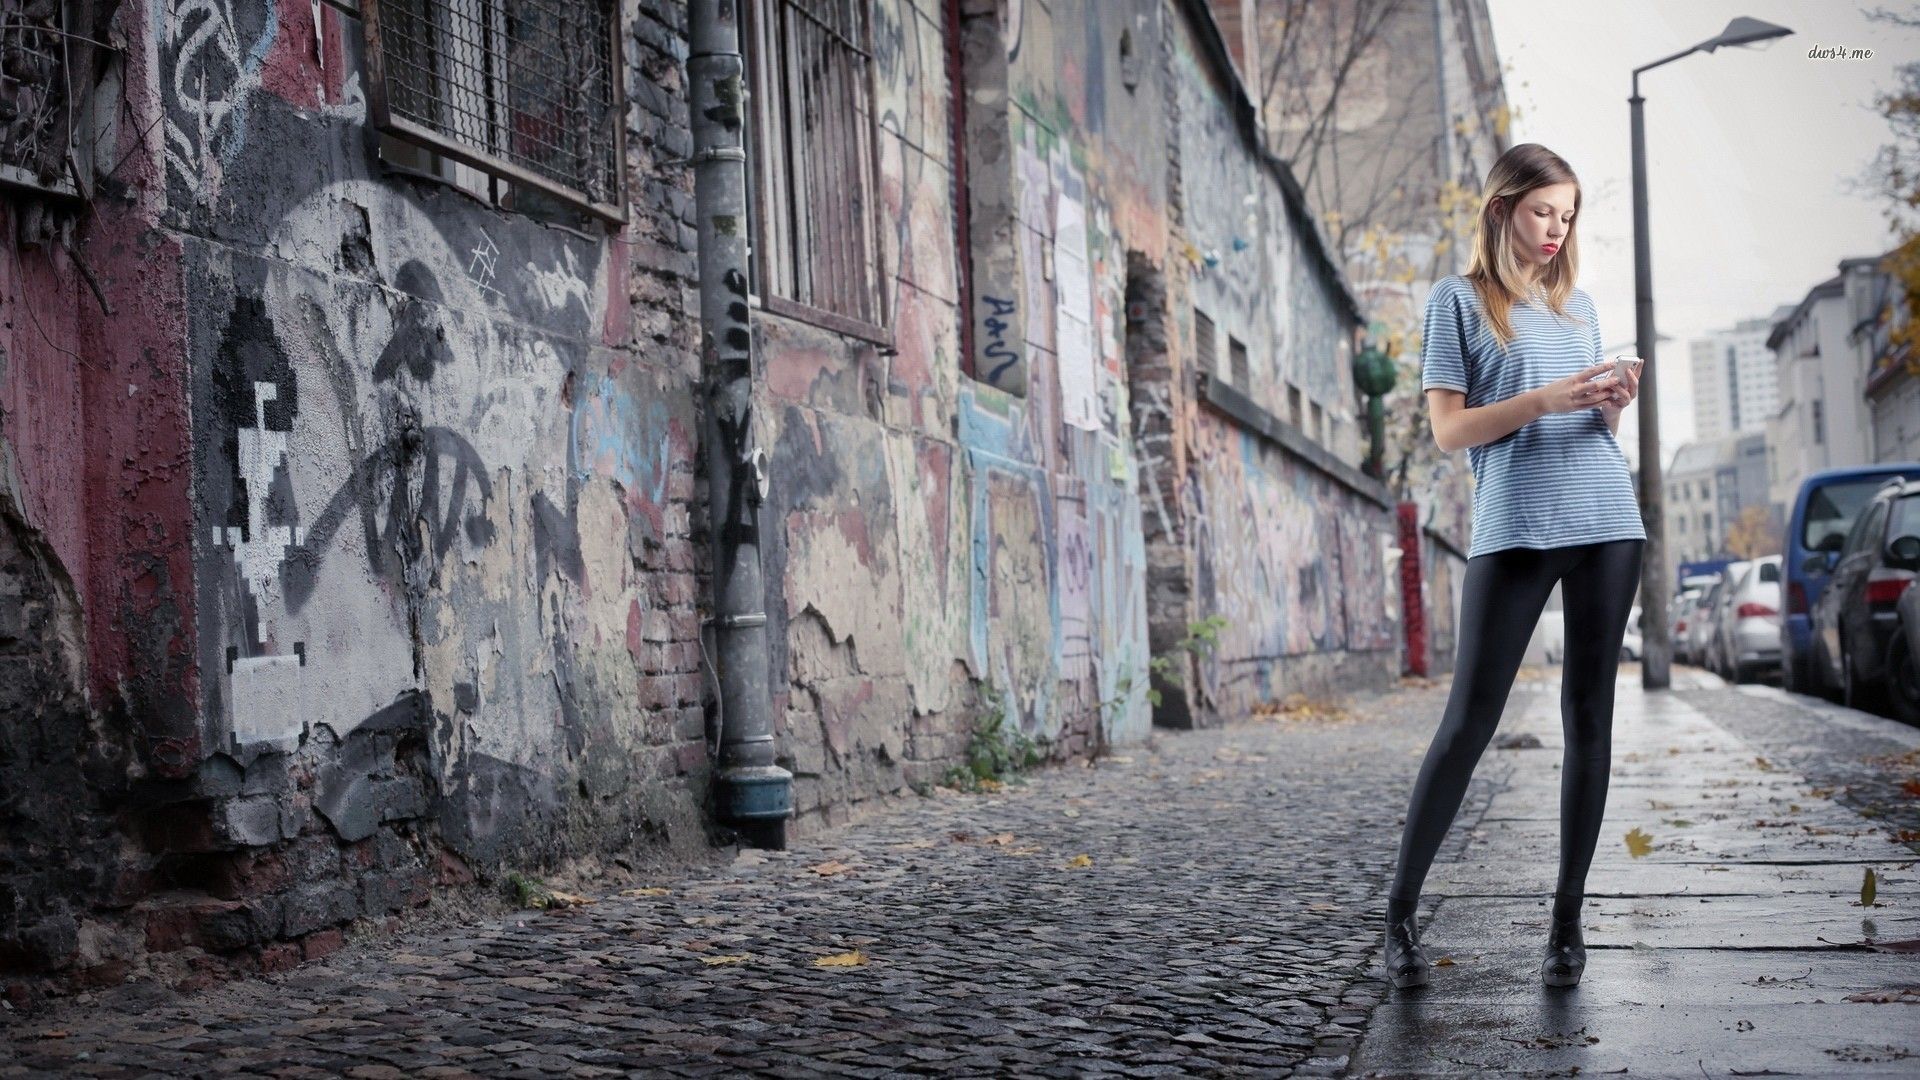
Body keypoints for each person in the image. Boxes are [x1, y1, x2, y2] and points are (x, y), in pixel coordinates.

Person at [1384, 143, 1647, 991]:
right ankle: (1399, 914)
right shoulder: (1457, 302)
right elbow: (1450, 432)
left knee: (1590, 719)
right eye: (1544, 212)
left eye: (1568, 216)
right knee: (1468, 722)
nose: (1556, 230)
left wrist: (1608, 404)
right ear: (1502, 209)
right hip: (1516, 527)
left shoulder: (1582, 308)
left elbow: (1590, 433)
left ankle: (1567, 920)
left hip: (1607, 519)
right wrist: (1541, 399)